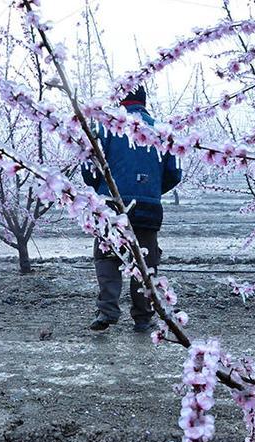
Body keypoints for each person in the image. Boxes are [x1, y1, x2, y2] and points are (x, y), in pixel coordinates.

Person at [81, 86, 181, 332]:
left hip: (111, 204)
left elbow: (88, 167)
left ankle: (106, 311)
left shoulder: (104, 128)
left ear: (119, 101)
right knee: (145, 261)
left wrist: (101, 186)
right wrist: (153, 190)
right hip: (149, 207)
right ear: (144, 102)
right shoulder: (160, 131)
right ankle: (143, 317)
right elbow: (174, 173)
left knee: (106, 257)